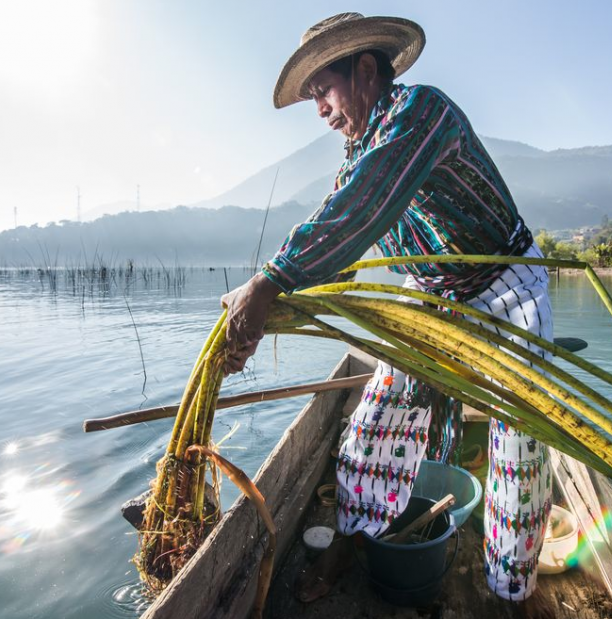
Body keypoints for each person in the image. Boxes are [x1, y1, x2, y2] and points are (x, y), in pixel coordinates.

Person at [220, 12, 554, 612]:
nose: (320, 109)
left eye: (323, 90)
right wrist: (274, 304)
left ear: (366, 70)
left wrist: (269, 282)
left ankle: (510, 592)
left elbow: (361, 208)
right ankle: (352, 541)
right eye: (313, 98)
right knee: (371, 426)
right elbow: (337, 226)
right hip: (434, 300)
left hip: (505, 287)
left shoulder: (420, 113)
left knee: (519, 447)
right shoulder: (358, 153)